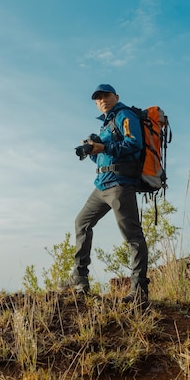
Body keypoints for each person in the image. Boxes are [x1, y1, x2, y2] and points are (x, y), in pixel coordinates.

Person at [59, 84, 149, 304]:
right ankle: (80, 278)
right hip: (102, 185)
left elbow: (134, 143)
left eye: (106, 96)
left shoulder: (124, 115)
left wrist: (104, 148)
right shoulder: (106, 125)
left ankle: (139, 291)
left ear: (116, 96)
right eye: (98, 99)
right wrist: (90, 150)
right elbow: (103, 158)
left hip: (120, 184)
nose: (102, 101)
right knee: (82, 222)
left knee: (132, 236)